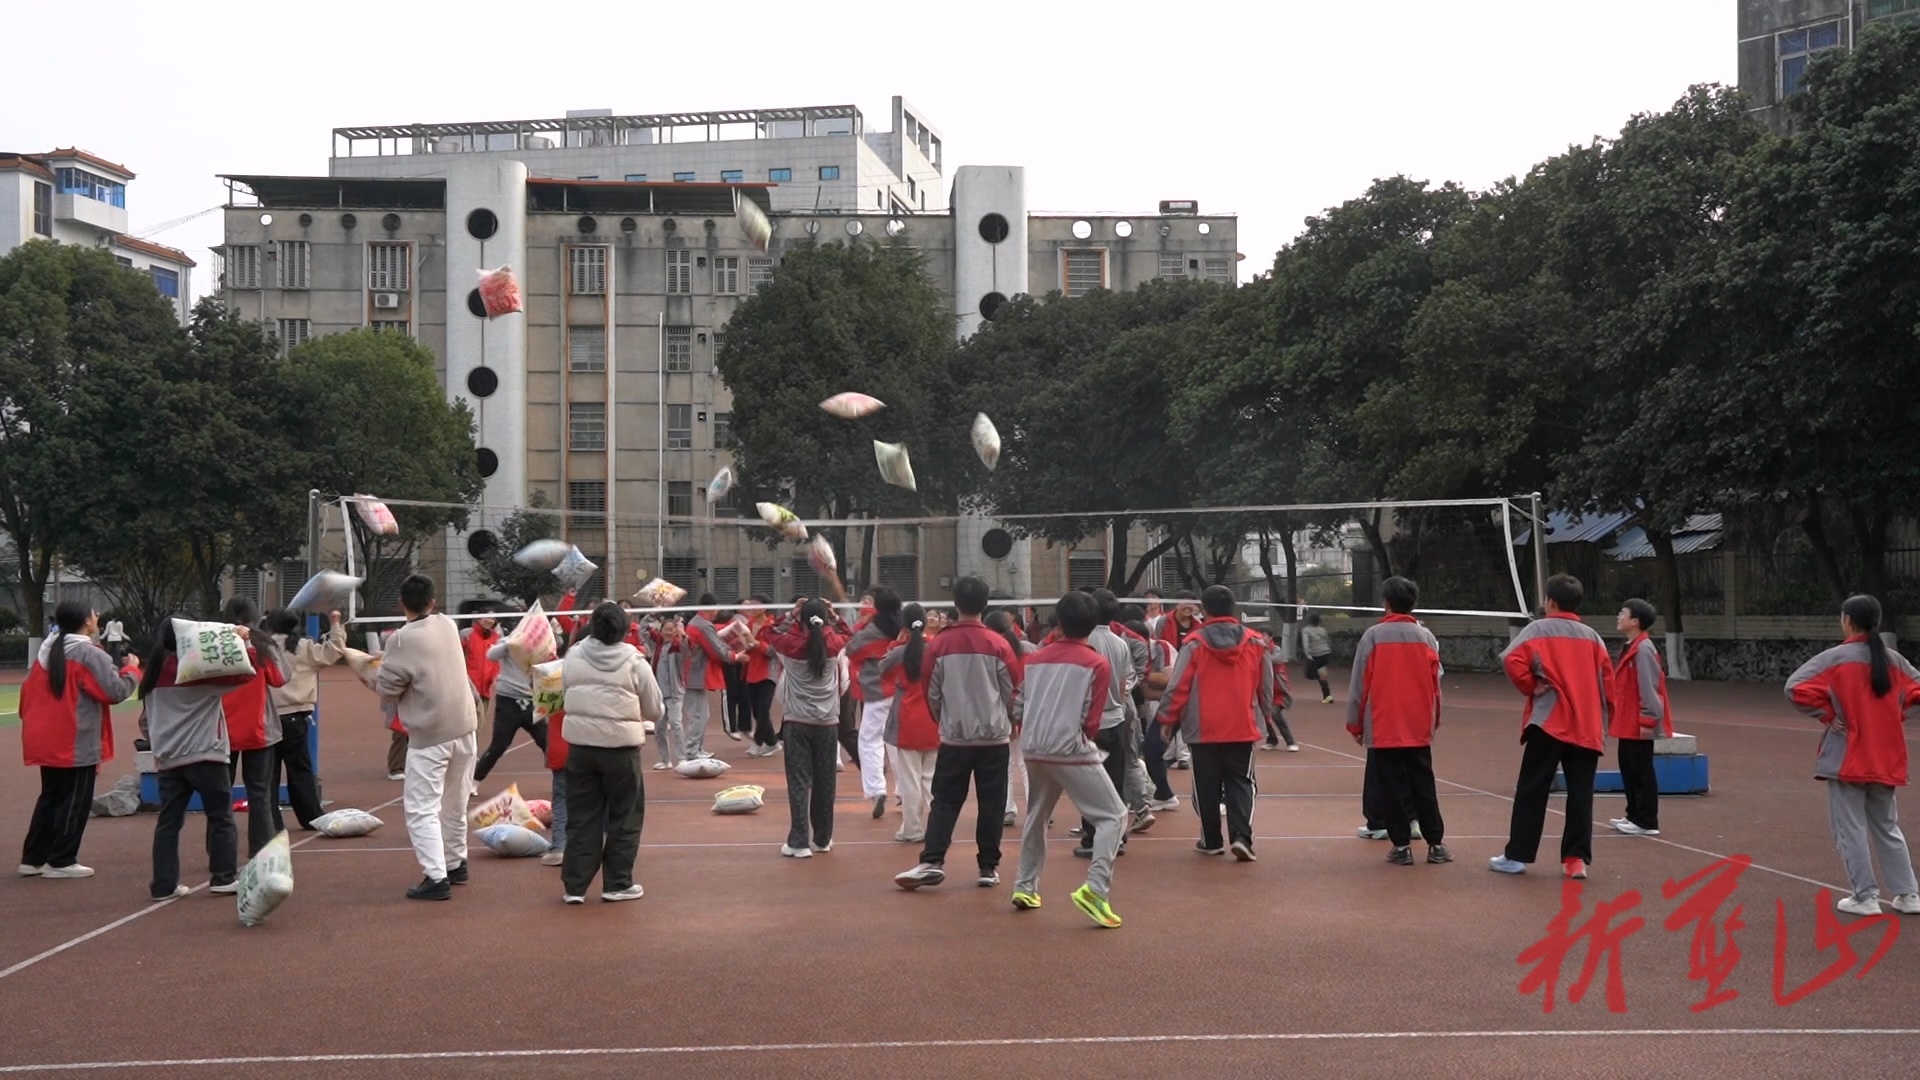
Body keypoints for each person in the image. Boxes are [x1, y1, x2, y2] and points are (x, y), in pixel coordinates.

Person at [1786, 594, 1920, 916]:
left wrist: (1829, 714)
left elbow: (1795, 687)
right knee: (1888, 827)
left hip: (1848, 757)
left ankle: (1865, 896)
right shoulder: (1895, 661)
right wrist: (1894, 715)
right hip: (1886, 755)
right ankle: (1908, 894)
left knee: (1850, 829)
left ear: (1847, 620)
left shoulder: (1835, 659)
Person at [1006, 591, 1127, 927]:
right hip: (1069, 747)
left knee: (1037, 816)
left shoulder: (1036, 659)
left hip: (1033, 745)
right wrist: (1083, 742)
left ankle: (1025, 886)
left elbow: (1018, 701)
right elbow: (1092, 717)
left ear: (1058, 622)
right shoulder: (1096, 663)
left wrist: (1027, 728)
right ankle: (1096, 890)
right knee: (1114, 815)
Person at [896, 577, 1021, 890]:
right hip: (993, 737)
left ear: (955, 604)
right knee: (992, 802)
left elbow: (931, 692)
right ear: (985, 604)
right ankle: (988, 867)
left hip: (955, 737)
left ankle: (932, 860)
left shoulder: (939, 645)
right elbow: (1012, 691)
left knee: (946, 800)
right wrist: (1009, 721)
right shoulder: (999, 644)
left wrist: (946, 722)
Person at [1491, 574, 1613, 880]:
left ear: (1550, 602)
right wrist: (1605, 717)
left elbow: (1511, 660)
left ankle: (1517, 856)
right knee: (1581, 793)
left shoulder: (1538, 629)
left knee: (1532, 789)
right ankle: (1575, 860)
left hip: (1549, 722)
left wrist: (1531, 685)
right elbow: (1608, 684)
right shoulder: (1593, 638)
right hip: (1586, 725)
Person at [375, 574, 482, 901]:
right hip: (465, 727)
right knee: (455, 801)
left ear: (401, 604)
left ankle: (436, 877)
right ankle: (455, 863)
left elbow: (388, 689)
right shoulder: (448, 625)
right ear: (433, 603)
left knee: (421, 807)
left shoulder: (401, 640)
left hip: (431, 734)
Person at [139, 617, 258, 900]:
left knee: (169, 823)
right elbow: (246, 672)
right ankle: (223, 876)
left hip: (168, 759)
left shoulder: (153, 676)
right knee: (220, 817)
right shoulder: (198, 671)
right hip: (205, 754)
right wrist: (244, 639)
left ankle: (164, 884)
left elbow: (146, 721)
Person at [19, 601, 139, 879]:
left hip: (46, 735)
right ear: (87, 621)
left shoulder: (46, 651)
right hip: (75, 737)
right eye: (95, 614)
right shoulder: (87, 652)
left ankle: (33, 857)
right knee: (75, 800)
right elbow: (115, 691)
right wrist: (132, 670)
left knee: (50, 796)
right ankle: (62, 859)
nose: (97, 617)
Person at [557, 602, 661, 903]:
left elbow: (566, 693)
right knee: (625, 815)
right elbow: (654, 708)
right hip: (620, 750)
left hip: (580, 748)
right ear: (624, 630)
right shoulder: (634, 661)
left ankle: (574, 886)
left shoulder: (573, 655)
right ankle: (617, 883)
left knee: (581, 815)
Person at [1160, 586, 1273, 862]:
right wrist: (1266, 716)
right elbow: (1266, 686)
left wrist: (1167, 718)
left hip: (1202, 727)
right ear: (1233, 608)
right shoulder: (1256, 642)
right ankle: (1241, 836)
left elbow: (1178, 685)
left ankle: (1211, 839)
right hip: (1242, 725)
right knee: (1241, 781)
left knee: (1206, 784)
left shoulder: (1194, 643)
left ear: (1204, 610)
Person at [1345, 576, 1448, 866]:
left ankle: (1401, 845)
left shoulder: (1373, 636)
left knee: (1389, 786)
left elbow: (1359, 685)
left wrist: (1355, 724)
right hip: (1418, 724)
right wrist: (1434, 718)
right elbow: (1435, 685)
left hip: (1383, 724)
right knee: (1424, 784)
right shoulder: (1426, 637)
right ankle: (1436, 844)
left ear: (1386, 603)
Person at [768, 591, 853, 857]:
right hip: (828, 723)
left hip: (796, 721)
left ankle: (799, 841)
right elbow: (848, 633)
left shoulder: (791, 644)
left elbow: (767, 633)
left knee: (799, 781)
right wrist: (835, 616)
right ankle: (823, 838)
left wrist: (789, 615)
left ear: (800, 619)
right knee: (825, 781)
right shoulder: (834, 643)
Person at [218, 596, 289, 857]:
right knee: (260, 794)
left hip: (222, 727)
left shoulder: (213, 641)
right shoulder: (260, 644)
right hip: (258, 727)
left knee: (220, 795)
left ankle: (220, 854)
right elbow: (280, 678)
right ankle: (261, 852)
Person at [265, 609, 347, 832]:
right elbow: (334, 651)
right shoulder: (303, 647)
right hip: (296, 715)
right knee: (300, 769)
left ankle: (269, 821)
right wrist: (335, 623)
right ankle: (310, 815)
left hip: (268, 715)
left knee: (268, 772)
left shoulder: (263, 647)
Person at [1080, 591, 1144, 854]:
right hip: (1116, 717)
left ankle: (1092, 837)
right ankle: (1117, 833)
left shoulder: (1086, 642)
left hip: (1092, 721)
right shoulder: (1120, 642)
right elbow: (1125, 682)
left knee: (1089, 782)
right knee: (1114, 781)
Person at [1610, 599, 1672, 837]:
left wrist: (1647, 719)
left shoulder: (1643, 649)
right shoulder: (1632, 646)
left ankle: (1647, 820)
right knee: (1628, 767)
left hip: (1638, 721)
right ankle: (1634, 814)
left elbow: (1649, 687)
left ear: (1635, 621)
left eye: (1622, 613)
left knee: (1641, 770)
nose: (1618, 616)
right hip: (1628, 720)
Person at [880, 604, 941, 844]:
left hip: (907, 721)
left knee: (910, 780)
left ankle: (913, 828)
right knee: (931, 779)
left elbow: (882, 670)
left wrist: (896, 642)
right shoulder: (937, 648)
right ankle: (937, 827)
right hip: (935, 718)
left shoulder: (900, 651)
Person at [847, 586, 905, 819]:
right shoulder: (903, 625)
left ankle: (876, 789)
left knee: (869, 740)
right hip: (902, 688)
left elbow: (852, 648)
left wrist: (860, 625)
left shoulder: (872, 629)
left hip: (878, 690)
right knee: (898, 742)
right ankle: (904, 790)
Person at [475, 608, 547, 784]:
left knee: (548, 743)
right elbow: (490, 655)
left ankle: (564, 782)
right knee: (499, 745)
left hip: (531, 701)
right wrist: (509, 643)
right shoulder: (507, 642)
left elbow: (555, 646)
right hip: (508, 701)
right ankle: (475, 780)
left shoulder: (537, 643)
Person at [986, 609, 1034, 828]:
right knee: (1025, 763)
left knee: (1005, 763)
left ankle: (1007, 808)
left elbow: (1000, 687)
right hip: (1027, 711)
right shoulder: (1029, 649)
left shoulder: (993, 651)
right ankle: (1035, 808)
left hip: (1004, 711)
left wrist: (1011, 716)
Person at [682, 596, 730, 759]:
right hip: (696, 673)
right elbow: (716, 651)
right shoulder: (703, 625)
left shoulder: (696, 623)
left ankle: (697, 748)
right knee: (698, 715)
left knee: (702, 714)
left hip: (694, 672)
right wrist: (733, 656)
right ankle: (692, 750)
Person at [646, 615, 688, 771]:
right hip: (658, 693)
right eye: (666, 629)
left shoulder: (677, 647)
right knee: (659, 728)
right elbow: (643, 629)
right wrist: (654, 612)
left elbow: (686, 648)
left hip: (674, 693)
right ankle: (665, 759)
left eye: (671, 629)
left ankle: (682, 758)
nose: (668, 632)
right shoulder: (656, 646)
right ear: (661, 630)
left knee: (676, 724)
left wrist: (682, 635)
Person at [741, 598, 781, 757]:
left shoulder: (773, 626)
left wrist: (757, 644)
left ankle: (761, 742)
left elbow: (773, 651)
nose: (752, 608)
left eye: (756, 604)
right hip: (751, 670)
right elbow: (748, 646)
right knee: (757, 711)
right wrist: (746, 644)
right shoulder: (749, 624)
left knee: (763, 710)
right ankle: (770, 742)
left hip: (767, 673)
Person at [462, 606, 503, 734]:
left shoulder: (496, 638)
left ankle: (472, 752)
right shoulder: (466, 634)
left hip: (485, 689)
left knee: (479, 725)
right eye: (487, 617)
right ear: (479, 618)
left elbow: (496, 661)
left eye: (493, 618)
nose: (490, 621)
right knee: (466, 724)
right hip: (468, 688)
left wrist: (495, 676)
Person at [1259, 632, 1300, 751]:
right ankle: (1272, 739)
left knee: (1274, 712)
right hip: (1265, 690)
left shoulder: (1277, 651)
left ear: (1270, 637)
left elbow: (1272, 660)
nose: (1261, 638)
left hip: (1279, 691)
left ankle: (1290, 742)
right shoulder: (1257, 650)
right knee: (1264, 714)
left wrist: (1258, 653)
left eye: (1263, 635)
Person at [1301, 612, 1334, 703]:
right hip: (1325, 652)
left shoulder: (1306, 630)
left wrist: (1308, 654)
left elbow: (1306, 643)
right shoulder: (1322, 629)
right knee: (1321, 672)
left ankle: (1327, 695)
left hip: (1316, 654)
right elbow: (1328, 640)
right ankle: (1327, 695)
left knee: (1318, 674)